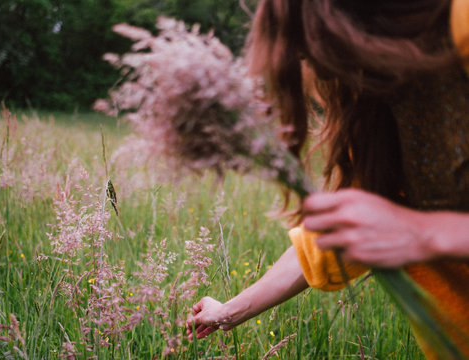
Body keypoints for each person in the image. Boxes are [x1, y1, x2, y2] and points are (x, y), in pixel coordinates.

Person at [185, 0, 469, 358]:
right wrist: (228, 311)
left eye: (309, 48)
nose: (314, 66)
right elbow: (328, 241)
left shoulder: (461, 24)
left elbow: (406, 228)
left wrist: (424, 233)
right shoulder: (377, 107)